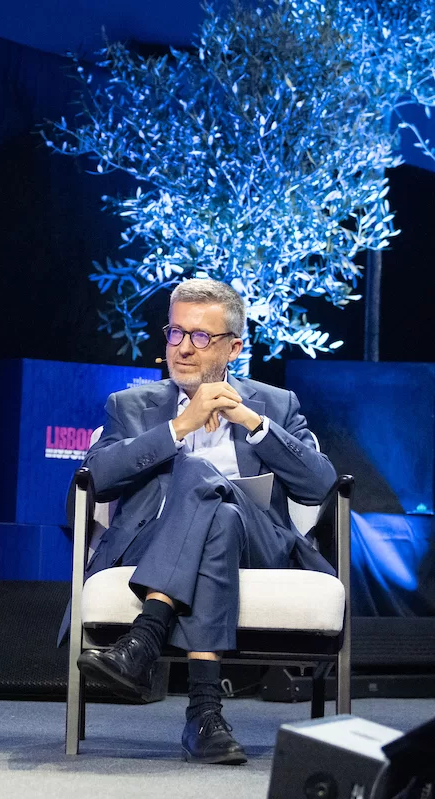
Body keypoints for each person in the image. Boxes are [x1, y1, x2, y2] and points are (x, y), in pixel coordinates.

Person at [66, 278, 336, 765]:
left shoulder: (276, 404)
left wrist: (254, 424)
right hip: (156, 543)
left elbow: (320, 486)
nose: (183, 348)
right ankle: (204, 715)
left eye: (200, 337)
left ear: (234, 346)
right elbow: (97, 479)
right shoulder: (130, 406)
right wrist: (178, 428)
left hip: (260, 548)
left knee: (206, 484)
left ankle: (145, 637)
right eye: (175, 333)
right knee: (218, 511)